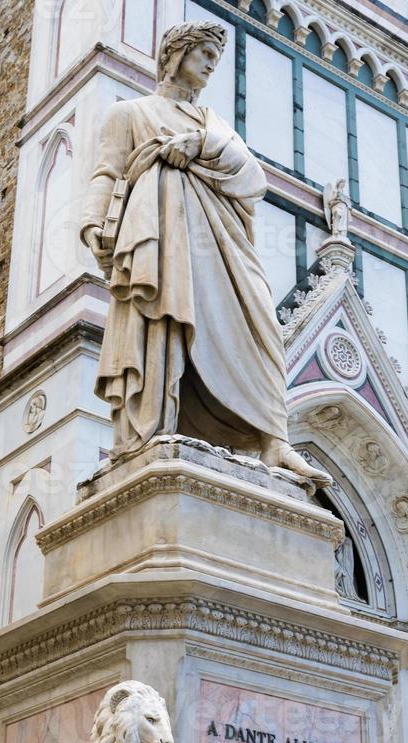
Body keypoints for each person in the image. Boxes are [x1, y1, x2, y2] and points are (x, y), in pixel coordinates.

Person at [81, 20, 329, 487]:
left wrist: (197, 145)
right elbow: (107, 172)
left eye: (216, 60)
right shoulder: (130, 113)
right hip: (159, 238)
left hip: (222, 246)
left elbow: (251, 177)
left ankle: (273, 440)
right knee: (161, 322)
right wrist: (93, 221)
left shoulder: (214, 125)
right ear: (174, 56)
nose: (211, 67)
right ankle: (151, 433)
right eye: (204, 57)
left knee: (263, 329)